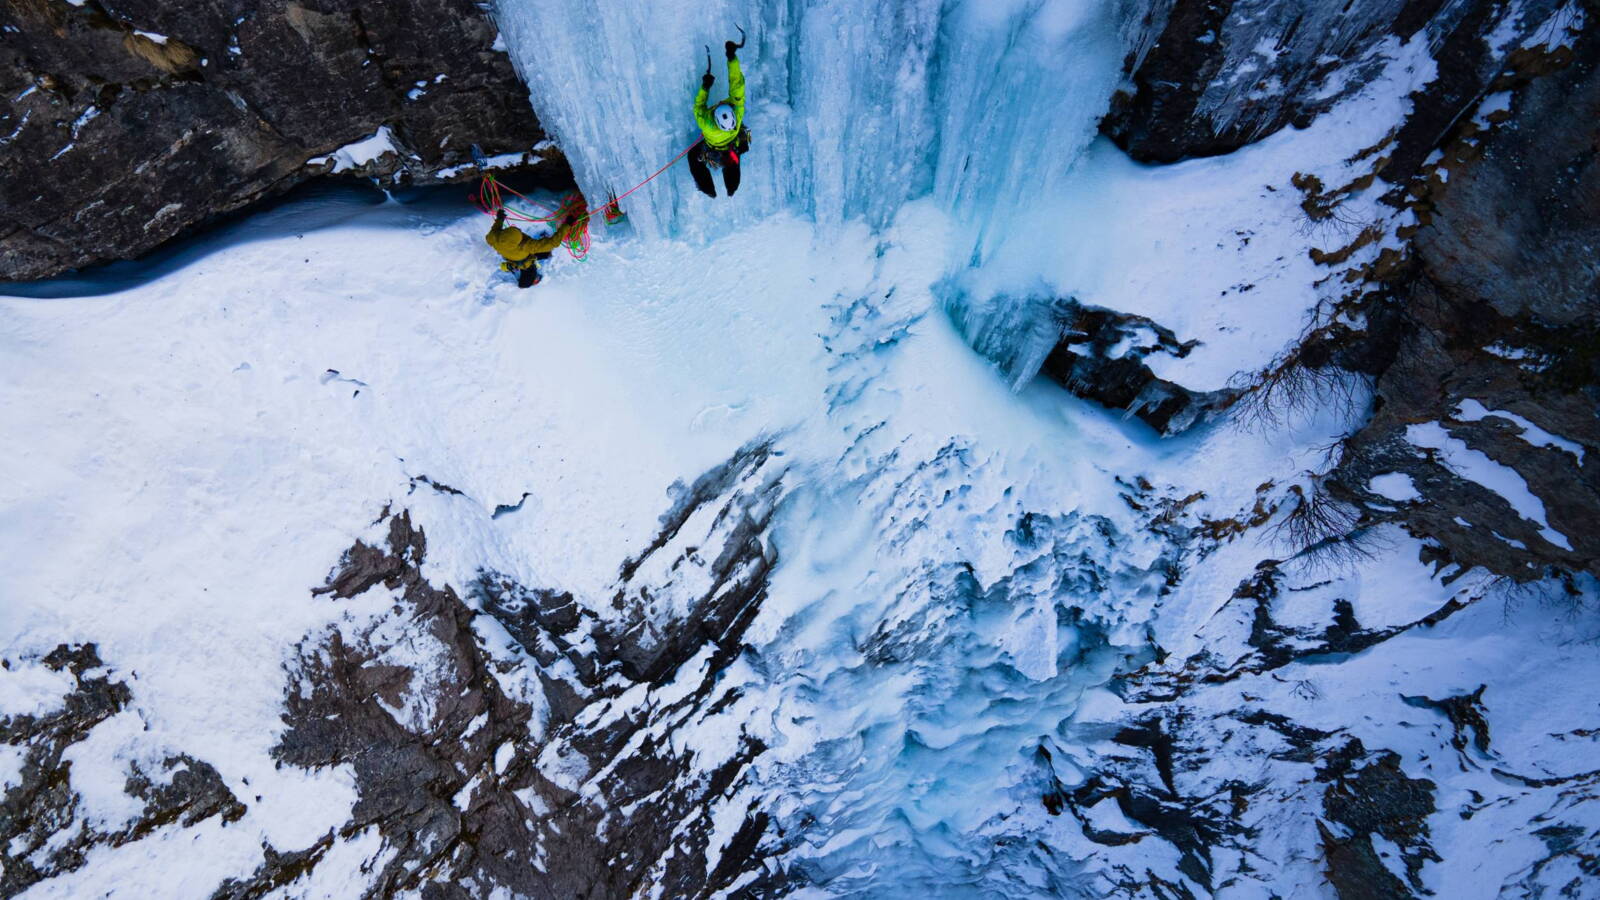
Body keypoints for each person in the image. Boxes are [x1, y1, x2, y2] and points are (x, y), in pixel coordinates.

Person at [690, 32, 750, 198]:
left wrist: (705, 87)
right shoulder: (737, 112)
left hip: (715, 148)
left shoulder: (708, 125)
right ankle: (731, 189)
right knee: (732, 162)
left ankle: (708, 189)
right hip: (735, 142)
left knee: (693, 158)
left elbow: (698, 106)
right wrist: (732, 57)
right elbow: (736, 83)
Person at [485, 207, 577, 288]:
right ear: (518, 241)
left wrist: (500, 219)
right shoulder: (526, 245)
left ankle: (545, 254)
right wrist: (567, 224)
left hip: (512, 256)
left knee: (543, 252)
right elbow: (553, 243)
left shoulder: (492, 238)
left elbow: (495, 229)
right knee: (524, 283)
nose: (519, 230)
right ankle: (531, 280)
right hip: (525, 262)